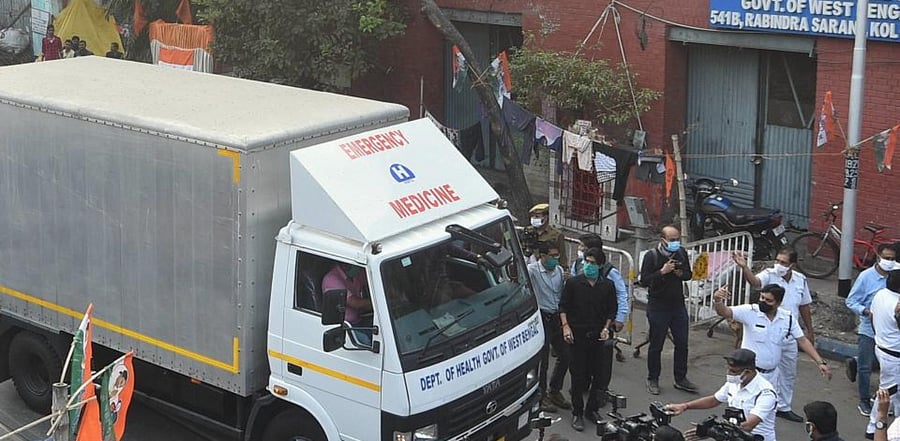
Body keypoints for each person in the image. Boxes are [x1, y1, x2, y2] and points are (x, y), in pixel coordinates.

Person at [732, 247, 813, 422]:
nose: (779, 265)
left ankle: (783, 406)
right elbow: (754, 282)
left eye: (783, 262)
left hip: (789, 332)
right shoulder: (769, 274)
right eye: (777, 261)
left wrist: (809, 330)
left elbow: (804, 306)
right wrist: (745, 267)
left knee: (788, 372)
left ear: (793, 265)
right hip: (769, 331)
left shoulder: (801, 280)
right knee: (763, 367)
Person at [713, 284, 832, 397]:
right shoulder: (750, 312)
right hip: (749, 374)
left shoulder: (787, 318)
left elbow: (802, 341)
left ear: (778, 303)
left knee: (767, 412)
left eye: (768, 300)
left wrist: (820, 362)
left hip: (771, 376)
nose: (763, 302)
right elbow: (724, 311)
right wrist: (718, 300)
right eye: (762, 297)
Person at [559, 247, 617, 431]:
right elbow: (563, 307)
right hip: (577, 336)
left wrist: (606, 328)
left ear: (600, 265)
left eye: (593, 263)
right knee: (578, 375)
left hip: (598, 337)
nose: (589, 265)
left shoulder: (607, 286)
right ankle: (577, 412)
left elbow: (611, 310)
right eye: (587, 262)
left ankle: (591, 410)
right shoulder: (574, 284)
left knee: (599, 376)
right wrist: (566, 327)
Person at [665, 349, 777, 441]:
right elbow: (714, 400)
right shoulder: (735, 382)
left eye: (733, 371)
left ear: (747, 372)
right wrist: (685, 406)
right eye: (728, 369)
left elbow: (747, 426)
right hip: (730, 436)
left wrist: (709, 431)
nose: (729, 374)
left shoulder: (765, 393)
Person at [640, 224, 697, 395]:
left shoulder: (680, 253)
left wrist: (680, 273)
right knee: (656, 345)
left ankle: (681, 378)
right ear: (663, 240)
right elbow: (644, 281)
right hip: (658, 307)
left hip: (677, 306)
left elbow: (688, 274)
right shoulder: (652, 256)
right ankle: (653, 379)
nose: (676, 243)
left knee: (682, 343)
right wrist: (662, 272)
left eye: (677, 239)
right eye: (672, 240)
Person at [847, 243, 898, 416]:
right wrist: (865, 311)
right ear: (878, 257)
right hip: (869, 328)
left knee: (887, 365)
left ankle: (886, 402)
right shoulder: (866, 277)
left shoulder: (896, 275)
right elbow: (851, 301)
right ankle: (864, 400)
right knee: (865, 367)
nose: (890, 262)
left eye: (893, 259)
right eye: (887, 258)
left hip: (890, 331)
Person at [527, 242, 571, 412]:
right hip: (542, 318)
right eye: (552, 256)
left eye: (557, 256)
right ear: (542, 256)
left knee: (566, 355)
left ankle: (555, 390)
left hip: (557, 318)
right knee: (543, 361)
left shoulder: (559, 271)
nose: (555, 259)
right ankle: (542, 395)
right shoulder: (533, 271)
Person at [866, 270, 900, 438]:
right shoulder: (897, 304)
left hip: (881, 346)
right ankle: (873, 427)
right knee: (887, 391)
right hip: (893, 354)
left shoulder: (880, 294)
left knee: (894, 391)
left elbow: (872, 317)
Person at [321, 262, 372, 344]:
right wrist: (378, 304)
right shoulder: (331, 280)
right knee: (367, 342)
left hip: (360, 319)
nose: (357, 267)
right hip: (345, 326)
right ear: (345, 264)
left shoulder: (354, 273)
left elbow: (372, 279)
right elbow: (356, 304)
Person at [526, 203, 568, 269]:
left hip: (548, 267)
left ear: (546, 217)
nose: (534, 219)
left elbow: (562, 255)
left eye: (537, 216)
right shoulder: (528, 231)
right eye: (533, 216)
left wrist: (564, 269)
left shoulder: (556, 234)